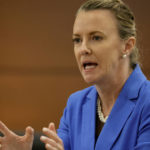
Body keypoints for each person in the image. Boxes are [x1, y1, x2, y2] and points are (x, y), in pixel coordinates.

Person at [0, 0, 150, 149]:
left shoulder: (146, 102)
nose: (83, 49)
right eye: (77, 40)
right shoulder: (76, 104)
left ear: (127, 46)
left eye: (96, 37)